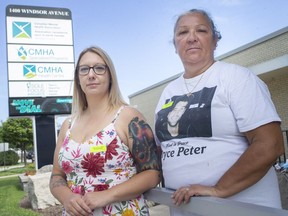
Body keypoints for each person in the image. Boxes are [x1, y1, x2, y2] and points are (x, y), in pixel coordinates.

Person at [154, 9, 285, 215]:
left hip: (240, 209)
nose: (191, 38)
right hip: (183, 209)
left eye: (201, 30)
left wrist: (218, 189)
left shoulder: (236, 78)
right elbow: (160, 151)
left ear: (215, 40)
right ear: (175, 45)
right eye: (183, 32)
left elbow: (271, 144)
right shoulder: (168, 93)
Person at [50, 46, 161, 216]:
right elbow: (57, 175)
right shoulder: (67, 125)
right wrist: (67, 198)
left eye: (99, 68)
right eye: (84, 69)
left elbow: (152, 173)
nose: (91, 74)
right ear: (78, 78)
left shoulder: (128, 116)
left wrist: (106, 195)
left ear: (110, 76)